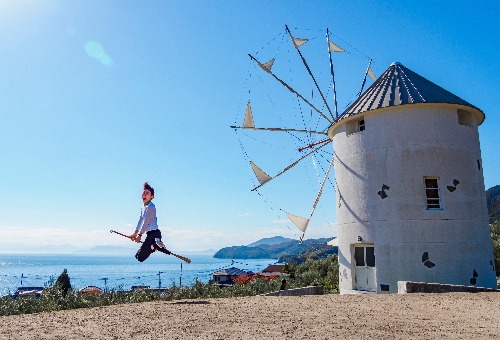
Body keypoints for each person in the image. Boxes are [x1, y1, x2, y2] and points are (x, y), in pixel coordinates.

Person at [129, 182, 171, 262]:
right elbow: (141, 220)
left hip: (154, 234)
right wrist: (135, 233)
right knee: (137, 256)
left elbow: (146, 223)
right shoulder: (143, 207)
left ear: (152, 197)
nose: (144, 195)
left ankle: (155, 246)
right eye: (144, 193)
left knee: (141, 258)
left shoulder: (151, 207)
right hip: (150, 234)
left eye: (147, 193)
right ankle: (156, 245)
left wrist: (140, 235)